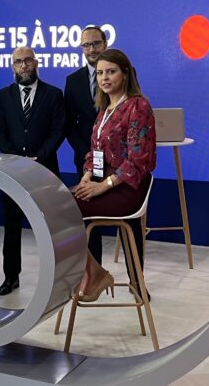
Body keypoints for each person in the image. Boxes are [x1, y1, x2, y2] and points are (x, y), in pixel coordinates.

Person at [72, 49, 156, 302]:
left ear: (125, 74)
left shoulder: (138, 106)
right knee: (59, 204)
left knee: (69, 208)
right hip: (103, 180)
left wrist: (102, 186)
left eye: (111, 72)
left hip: (128, 186)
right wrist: (87, 177)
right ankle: (93, 272)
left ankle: (106, 277)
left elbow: (138, 160)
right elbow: (95, 152)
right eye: (100, 73)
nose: (104, 78)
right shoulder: (105, 109)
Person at [0, 46, 65, 296]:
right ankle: (11, 276)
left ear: (36, 63)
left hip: (45, 170)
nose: (23, 65)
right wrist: (15, 157)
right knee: (12, 226)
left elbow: (58, 130)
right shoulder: (4, 95)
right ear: (12, 66)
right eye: (18, 61)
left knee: (51, 228)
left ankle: (56, 277)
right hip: (12, 172)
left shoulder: (54, 94)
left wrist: (39, 156)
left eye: (27, 60)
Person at [64, 25, 108, 263]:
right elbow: (69, 123)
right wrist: (84, 152)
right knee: (89, 218)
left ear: (105, 44)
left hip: (117, 160)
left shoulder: (123, 72)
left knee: (128, 221)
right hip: (85, 159)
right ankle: (94, 271)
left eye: (96, 43)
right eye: (86, 45)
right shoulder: (73, 80)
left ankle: (136, 278)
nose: (91, 49)